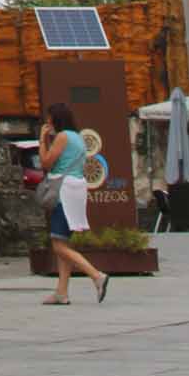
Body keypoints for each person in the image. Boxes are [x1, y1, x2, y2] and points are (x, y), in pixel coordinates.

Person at [37, 101, 108, 306]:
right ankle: (61, 292)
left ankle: (97, 276)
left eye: (49, 118)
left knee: (58, 245)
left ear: (55, 118)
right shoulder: (78, 138)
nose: (47, 121)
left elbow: (46, 163)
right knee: (64, 241)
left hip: (63, 191)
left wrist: (42, 140)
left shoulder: (63, 136)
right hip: (77, 189)